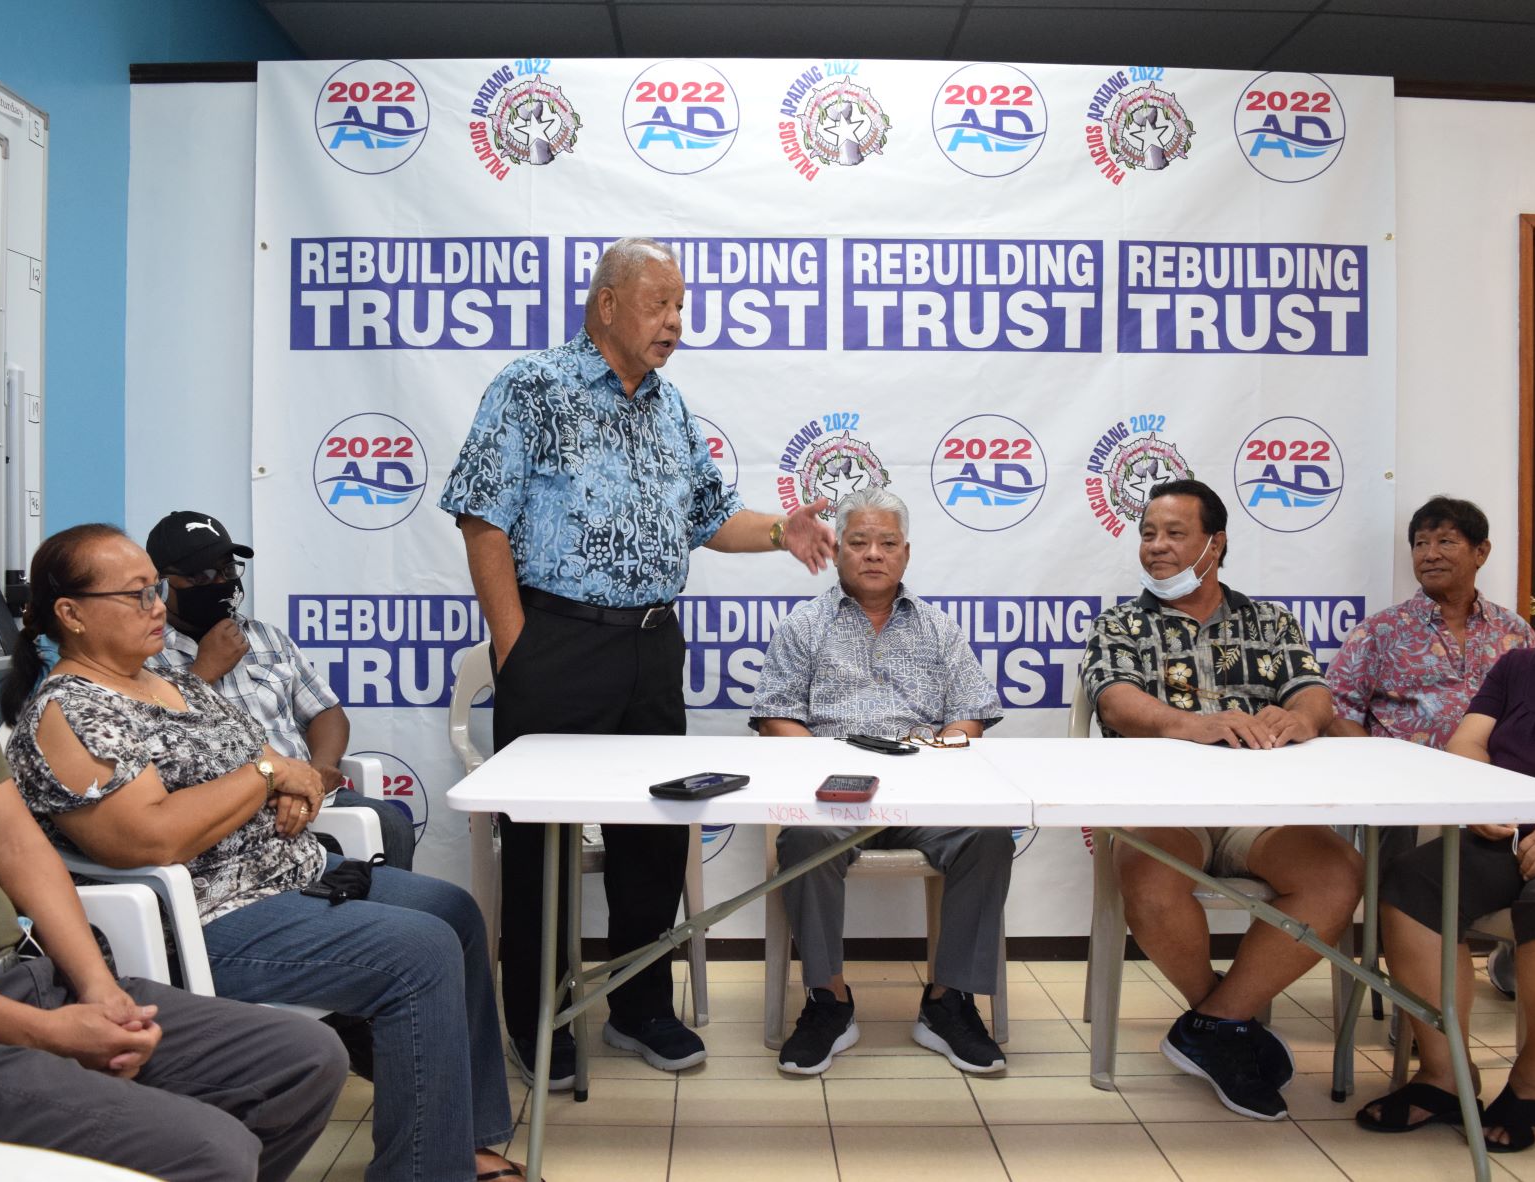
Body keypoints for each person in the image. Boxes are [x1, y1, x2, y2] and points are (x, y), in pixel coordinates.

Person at [0, 405, 347, 1181]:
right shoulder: (68, 703)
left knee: (301, 1058)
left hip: (21, 979)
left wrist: (98, 988)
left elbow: (11, 841)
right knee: (211, 1151)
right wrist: (34, 1032)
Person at [0, 524, 518, 1182]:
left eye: (155, 590)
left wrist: (289, 780)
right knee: (418, 952)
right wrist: (269, 780)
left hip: (288, 874)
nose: (157, 606)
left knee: (454, 913)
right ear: (70, 613)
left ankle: (461, 1141)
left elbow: (260, 754)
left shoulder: (165, 681)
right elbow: (148, 837)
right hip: (208, 917)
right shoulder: (70, 712)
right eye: (135, 595)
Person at [439, 236, 836, 1086]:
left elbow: (707, 514)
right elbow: (482, 520)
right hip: (559, 641)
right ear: (607, 304)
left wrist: (779, 532)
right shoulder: (530, 388)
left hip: (653, 646)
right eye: (659, 305)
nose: (675, 324)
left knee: (652, 838)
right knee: (541, 842)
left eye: (681, 307)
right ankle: (538, 1022)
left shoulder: (669, 406)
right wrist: (520, 654)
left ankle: (639, 1007)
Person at [1079, 478, 1362, 1121]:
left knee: (1336, 873)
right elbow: (1116, 700)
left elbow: (1312, 693)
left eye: (1175, 534)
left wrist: (1303, 720)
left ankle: (1213, 1024)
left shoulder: (1269, 620)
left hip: (1259, 813)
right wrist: (1189, 724)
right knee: (1149, 879)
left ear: (1215, 544)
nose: (1157, 547)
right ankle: (1225, 1025)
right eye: (1148, 534)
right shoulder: (1120, 624)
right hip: (1164, 810)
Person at [1357, 511, 1535, 1155]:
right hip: (1514, 831)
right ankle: (1444, 1075)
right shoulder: (1519, 665)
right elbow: (1469, 742)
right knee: (1413, 880)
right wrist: (1481, 799)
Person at [750, 487, 1010, 1076]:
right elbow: (775, 716)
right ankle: (828, 1000)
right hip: (834, 792)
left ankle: (949, 1002)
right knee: (803, 840)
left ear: (907, 554)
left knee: (989, 837)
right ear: (837, 550)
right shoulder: (803, 626)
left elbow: (970, 713)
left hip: (924, 792)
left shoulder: (941, 630)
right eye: (859, 542)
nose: (873, 554)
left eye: (887, 543)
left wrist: (943, 751)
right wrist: (824, 765)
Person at [1327, 495, 1535, 993]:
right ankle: (1413, 992)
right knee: (1405, 857)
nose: (1430, 553)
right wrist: (1379, 770)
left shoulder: (1514, 632)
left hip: (1492, 789)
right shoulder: (1382, 630)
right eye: (1421, 543)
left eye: (1446, 541)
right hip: (1406, 796)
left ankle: (1513, 945)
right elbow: (1337, 710)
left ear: (1481, 551)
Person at [142, 509, 415, 871]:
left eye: (228, 569)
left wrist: (319, 768)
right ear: (161, 584)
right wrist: (204, 670)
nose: (222, 582)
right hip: (229, 808)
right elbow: (157, 738)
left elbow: (326, 712)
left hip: (307, 789)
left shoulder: (266, 636)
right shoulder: (145, 655)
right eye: (203, 574)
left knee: (389, 823)